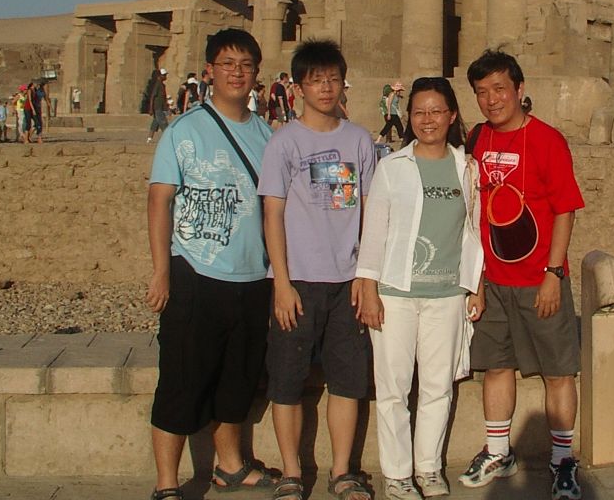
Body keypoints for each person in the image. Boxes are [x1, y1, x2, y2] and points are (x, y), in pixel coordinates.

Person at [146, 28, 281, 499]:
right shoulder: (184, 130)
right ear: (209, 71)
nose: (236, 73)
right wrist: (162, 271)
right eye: (227, 64)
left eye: (245, 65)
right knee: (181, 381)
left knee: (236, 380)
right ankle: (167, 483)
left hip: (252, 275)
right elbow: (159, 201)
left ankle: (230, 466)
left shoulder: (266, 135)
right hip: (196, 272)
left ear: (256, 74)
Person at [458, 49, 586, 500]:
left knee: (558, 372)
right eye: (482, 92)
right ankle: (498, 452)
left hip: (539, 279)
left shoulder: (548, 140)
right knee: (496, 367)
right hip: (492, 280)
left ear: (519, 89)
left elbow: (566, 209)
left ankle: (562, 460)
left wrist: (553, 273)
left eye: (499, 89)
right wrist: (474, 282)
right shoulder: (477, 138)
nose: (491, 99)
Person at [258, 39, 377, 500]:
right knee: (287, 381)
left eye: (332, 79)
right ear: (299, 87)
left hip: (347, 281)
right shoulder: (284, 142)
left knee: (348, 381)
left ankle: (342, 471)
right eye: (316, 80)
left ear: (342, 83)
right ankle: (292, 472)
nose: (325, 88)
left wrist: (366, 276)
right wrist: (281, 283)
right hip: (299, 282)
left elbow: (369, 213)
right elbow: (272, 214)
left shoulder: (359, 140)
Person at [356, 77, 485, 499]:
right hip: (395, 292)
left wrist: (476, 286)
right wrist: (368, 287)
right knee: (393, 389)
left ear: (451, 115)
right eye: (419, 112)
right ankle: (397, 474)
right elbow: (374, 232)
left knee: (437, 387)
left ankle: (428, 467)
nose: (427, 120)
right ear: (408, 117)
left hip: (447, 293)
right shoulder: (393, 167)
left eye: (436, 111)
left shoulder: (466, 168)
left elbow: (473, 231)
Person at [147, 68, 169, 143]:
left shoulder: (162, 85)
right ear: (160, 76)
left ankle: (149, 138)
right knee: (164, 124)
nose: (165, 77)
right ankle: (167, 140)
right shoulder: (158, 84)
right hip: (157, 107)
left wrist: (166, 107)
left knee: (155, 124)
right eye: (164, 75)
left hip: (160, 108)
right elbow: (152, 96)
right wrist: (151, 108)